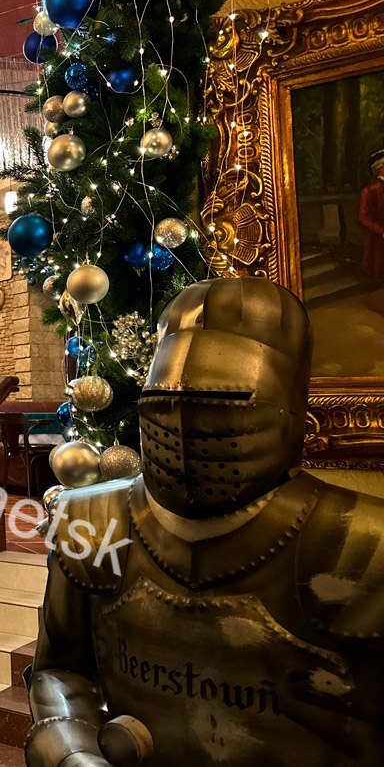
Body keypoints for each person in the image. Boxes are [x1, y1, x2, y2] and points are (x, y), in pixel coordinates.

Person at [27, 277, 384, 766]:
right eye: (164, 406)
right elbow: (58, 673)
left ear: (294, 416)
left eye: (224, 406)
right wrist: (74, 754)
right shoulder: (89, 518)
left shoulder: (366, 543)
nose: (186, 429)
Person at [358, 149, 384, 283]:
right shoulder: (370, 190)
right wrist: (381, 231)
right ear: (379, 168)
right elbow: (364, 217)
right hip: (379, 240)